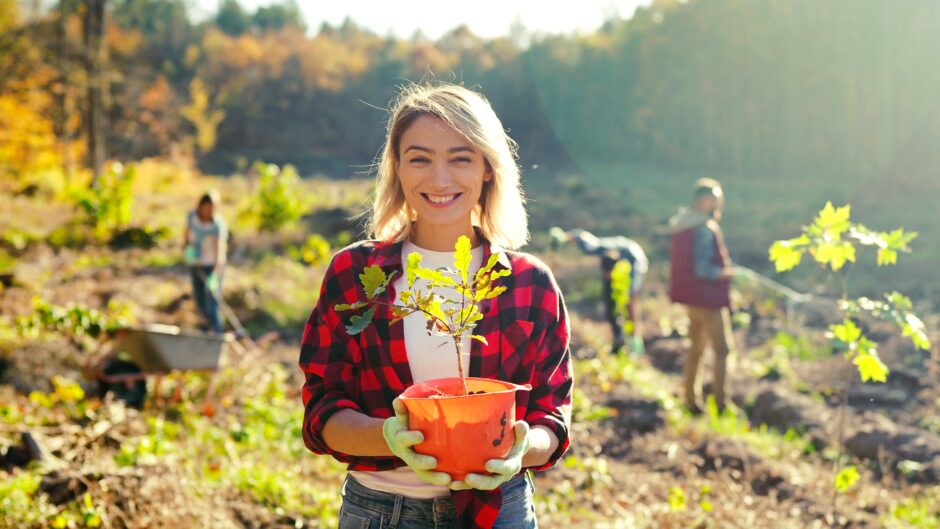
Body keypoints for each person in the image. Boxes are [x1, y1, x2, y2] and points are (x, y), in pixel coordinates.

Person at [298, 84, 572, 529]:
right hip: (383, 511)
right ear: (398, 169)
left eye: (460, 158)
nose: (439, 179)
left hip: (498, 509)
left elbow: (552, 415)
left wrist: (520, 447)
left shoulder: (528, 284)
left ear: (487, 168)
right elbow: (322, 410)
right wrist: (391, 437)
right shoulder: (355, 275)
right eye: (420, 158)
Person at [668, 178, 737, 414]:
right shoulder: (704, 228)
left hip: (692, 300)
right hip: (709, 301)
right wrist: (728, 273)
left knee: (696, 348)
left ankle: (690, 399)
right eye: (716, 198)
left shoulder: (684, 224)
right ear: (705, 201)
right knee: (723, 350)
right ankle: (721, 403)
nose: (719, 203)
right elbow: (703, 269)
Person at [550, 228, 648, 353]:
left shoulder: (633, 265)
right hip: (624, 261)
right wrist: (564, 237)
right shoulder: (596, 248)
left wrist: (635, 335)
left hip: (635, 261)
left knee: (629, 301)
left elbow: (632, 299)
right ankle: (620, 339)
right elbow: (581, 237)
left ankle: (634, 339)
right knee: (613, 303)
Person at [183, 191, 227, 334]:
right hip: (196, 264)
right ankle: (205, 332)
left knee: (212, 302)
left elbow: (220, 251)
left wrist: (215, 275)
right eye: (206, 207)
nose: (209, 211)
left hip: (212, 266)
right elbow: (186, 235)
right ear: (201, 206)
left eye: (212, 208)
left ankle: (217, 333)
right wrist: (187, 249)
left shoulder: (217, 225)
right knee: (200, 300)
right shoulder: (192, 217)